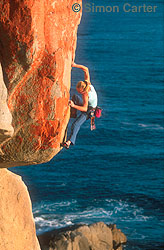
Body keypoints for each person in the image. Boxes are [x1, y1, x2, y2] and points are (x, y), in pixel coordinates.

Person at [62, 62, 98, 149]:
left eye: (79, 91)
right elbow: (86, 69)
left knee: (76, 124)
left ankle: (69, 142)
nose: (78, 92)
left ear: (83, 90)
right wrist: (74, 65)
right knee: (75, 97)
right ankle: (73, 114)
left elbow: (85, 108)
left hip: (89, 110)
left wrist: (73, 106)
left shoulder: (85, 95)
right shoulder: (87, 83)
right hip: (88, 106)